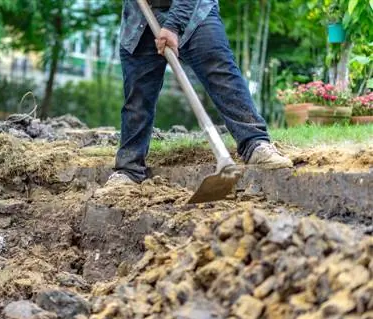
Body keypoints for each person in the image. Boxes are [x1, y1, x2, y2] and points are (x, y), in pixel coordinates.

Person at [106, 0, 293, 187]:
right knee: (137, 96)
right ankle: (128, 169)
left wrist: (173, 25)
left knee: (220, 71)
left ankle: (255, 143)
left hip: (193, 12)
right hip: (141, 17)